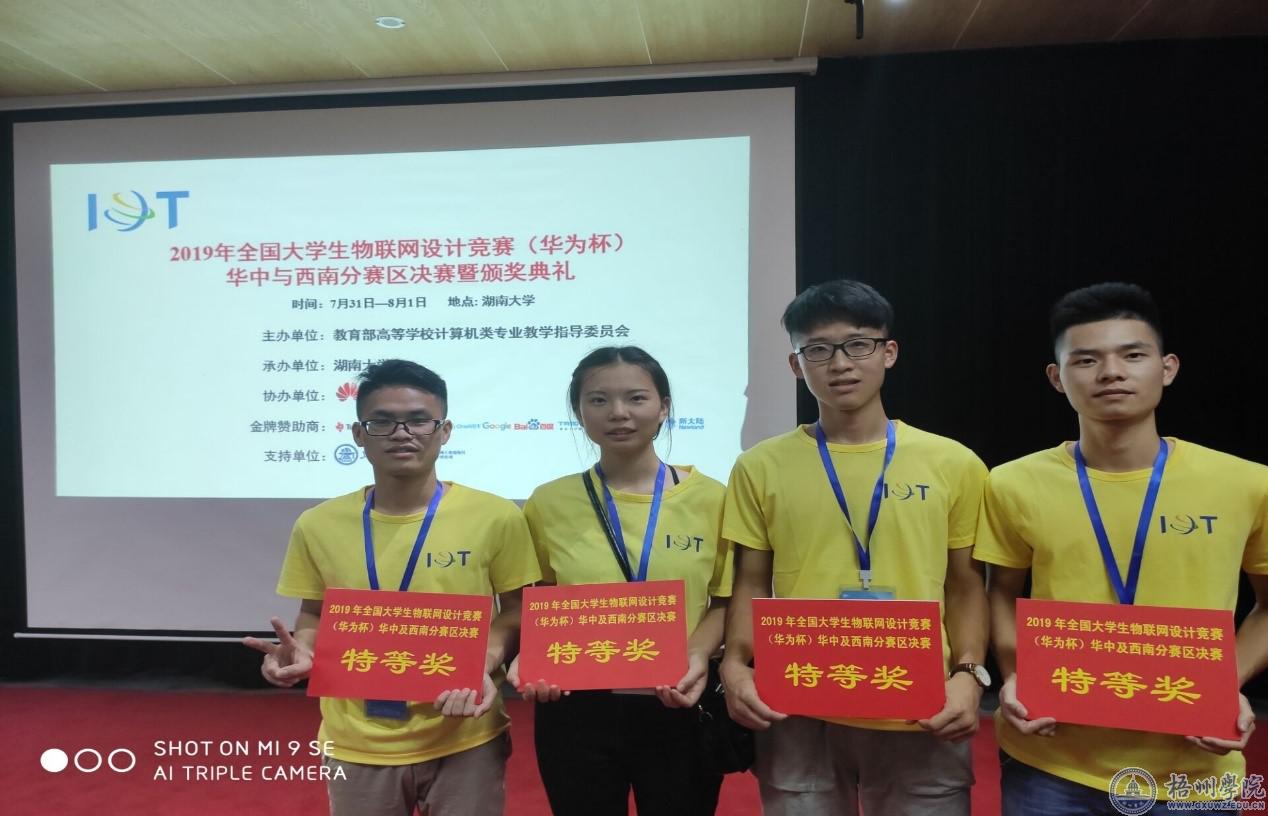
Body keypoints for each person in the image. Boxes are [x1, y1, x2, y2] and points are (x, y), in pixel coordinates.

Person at [975, 282, 1268, 814]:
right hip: (1050, 758)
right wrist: (1017, 676)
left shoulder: (1247, 483)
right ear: (1056, 378)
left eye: (1133, 355)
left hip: (1195, 766)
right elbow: (1001, 593)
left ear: (1168, 367)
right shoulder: (1011, 483)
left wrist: (1226, 684)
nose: (1111, 372)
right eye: (1086, 360)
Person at [720, 279, 991, 815]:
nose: (840, 363)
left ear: (888, 352)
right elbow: (752, 579)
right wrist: (734, 664)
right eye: (818, 350)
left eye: (858, 344)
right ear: (796, 365)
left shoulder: (954, 463)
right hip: (796, 700)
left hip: (920, 702)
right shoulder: (760, 465)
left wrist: (968, 674)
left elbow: (965, 585)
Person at [243, 359, 541, 816]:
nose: (402, 433)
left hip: (464, 730)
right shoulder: (318, 524)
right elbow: (315, 612)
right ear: (358, 434)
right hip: (355, 739)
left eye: (419, 420)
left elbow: (518, 609)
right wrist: (303, 650)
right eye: (382, 422)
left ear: (444, 431)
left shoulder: (496, 516)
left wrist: (482, 660)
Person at [510, 345, 732, 815]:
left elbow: (724, 601)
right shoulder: (548, 502)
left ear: (663, 407)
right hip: (576, 704)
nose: (618, 413)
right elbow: (539, 597)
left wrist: (696, 656)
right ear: (579, 412)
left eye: (636, 398)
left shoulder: (713, 499)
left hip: (679, 698)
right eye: (598, 400)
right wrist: (534, 656)